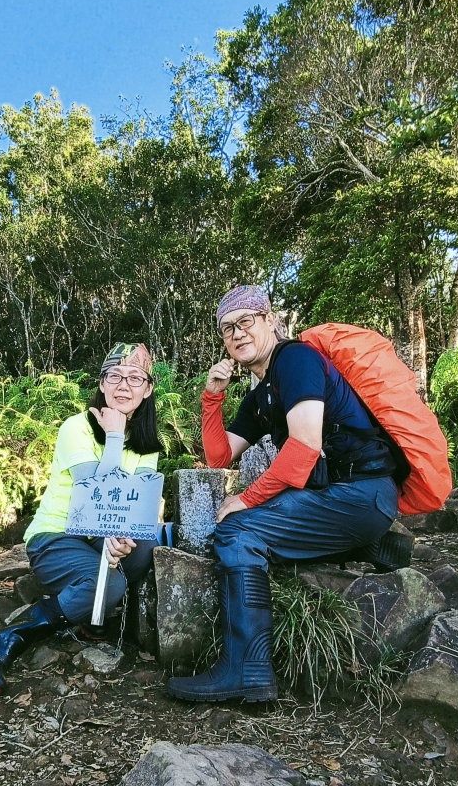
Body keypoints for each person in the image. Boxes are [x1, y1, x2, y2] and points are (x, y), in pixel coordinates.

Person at [166, 285, 399, 703]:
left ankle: (247, 670)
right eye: (226, 329)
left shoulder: (295, 360)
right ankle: (372, 544)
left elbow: (305, 447)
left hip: (360, 493)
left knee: (238, 531)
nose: (236, 334)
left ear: (270, 320)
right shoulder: (261, 396)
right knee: (258, 519)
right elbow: (219, 457)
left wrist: (246, 499)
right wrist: (211, 397)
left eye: (245, 321)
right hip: (347, 500)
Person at [0, 342, 162, 696]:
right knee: (112, 585)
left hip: (97, 537)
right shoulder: (78, 427)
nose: (123, 385)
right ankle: (2, 642)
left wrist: (121, 538)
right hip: (57, 537)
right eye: (114, 376)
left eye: (135, 378)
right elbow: (94, 492)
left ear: (147, 390)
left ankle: (91, 615)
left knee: (146, 543)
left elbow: (132, 507)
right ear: (102, 384)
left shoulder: (147, 444)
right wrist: (115, 435)